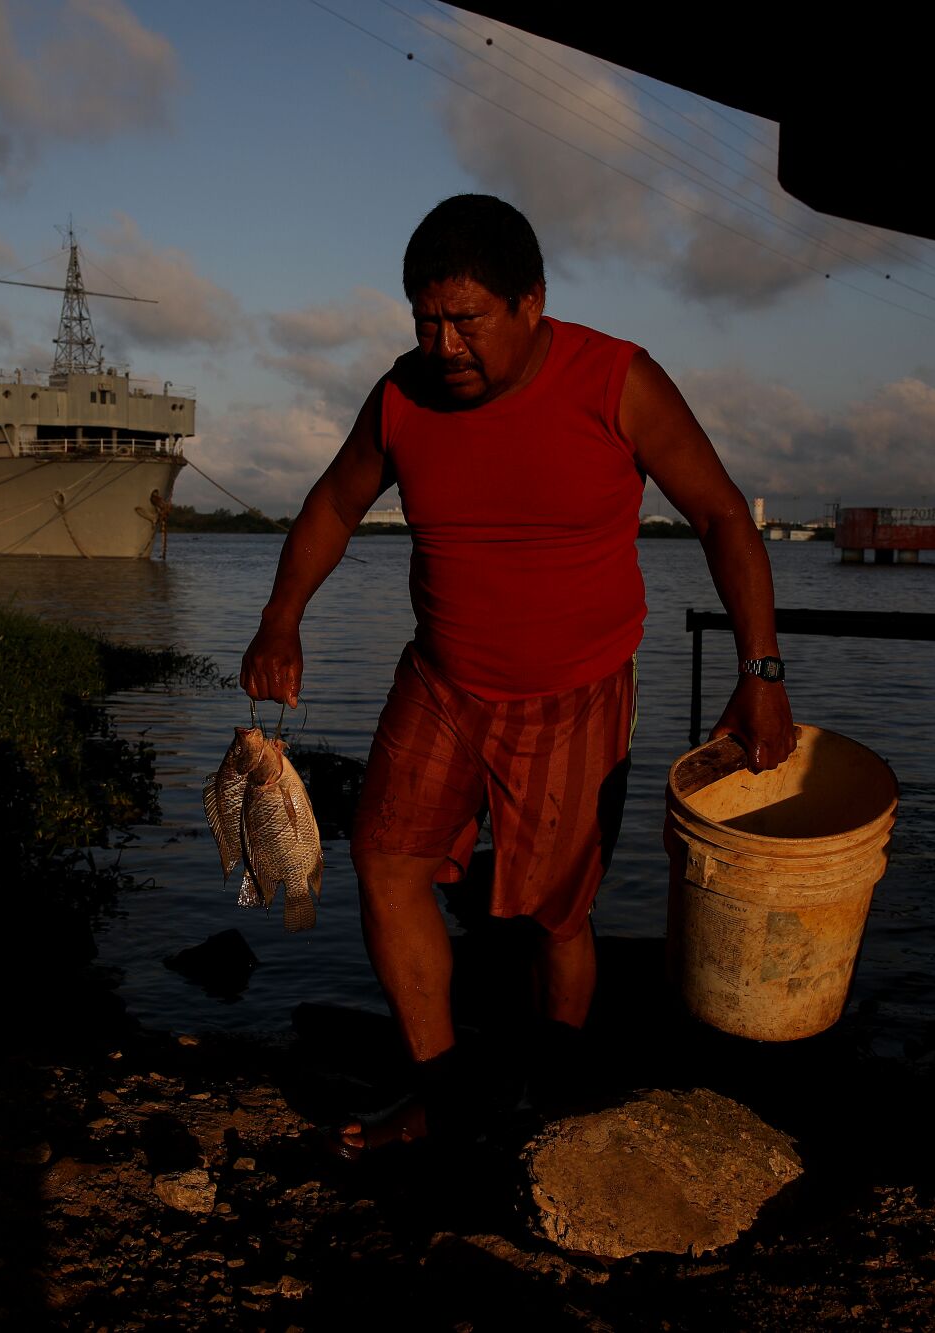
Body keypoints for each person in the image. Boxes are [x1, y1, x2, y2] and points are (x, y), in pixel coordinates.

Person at [238, 194, 794, 1157]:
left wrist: (762, 668)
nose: (445, 344)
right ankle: (443, 1093)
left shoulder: (618, 380)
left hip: (576, 689)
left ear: (532, 302)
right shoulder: (402, 395)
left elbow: (722, 518)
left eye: (467, 320)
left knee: (556, 914)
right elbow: (332, 503)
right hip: (442, 680)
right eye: (425, 320)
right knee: (385, 862)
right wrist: (280, 618)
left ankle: (556, 1101)